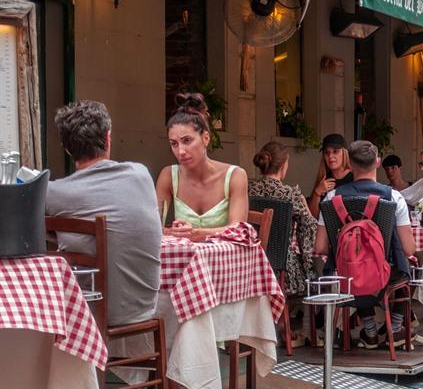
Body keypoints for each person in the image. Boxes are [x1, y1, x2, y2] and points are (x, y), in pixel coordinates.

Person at [46, 100, 161, 326]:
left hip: (86, 311)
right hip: (143, 307)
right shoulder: (141, 175)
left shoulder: (55, 192)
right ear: (108, 138)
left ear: (67, 149)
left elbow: (42, 230)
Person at [313, 141, 416, 349]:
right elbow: (408, 249)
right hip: (385, 273)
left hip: (345, 273)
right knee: (410, 266)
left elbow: (321, 247)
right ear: (378, 163)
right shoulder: (393, 197)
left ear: (349, 165)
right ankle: (394, 328)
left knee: (357, 266)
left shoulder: (333, 197)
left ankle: (369, 330)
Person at [156, 93, 249, 240]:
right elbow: (153, 227)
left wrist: (196, 234)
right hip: (184, 261)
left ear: (205, 138)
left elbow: (237, 231)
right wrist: (172, 232)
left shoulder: (235, 176)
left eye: (187, 140)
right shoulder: (169, 176)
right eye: (174, 143)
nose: (180, 151)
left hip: (225, 261)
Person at [249, 141, 317, 296]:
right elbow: (309, 230)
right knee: (312, 274)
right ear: (284, 166)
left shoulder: (248, 189)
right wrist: (307, 265)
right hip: (283, 269)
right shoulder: (291, 194)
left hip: (251, 263)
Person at [308, 133, 353, 218]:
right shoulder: (323, 180)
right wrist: (317, 193)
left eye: (335, 151)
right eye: (326, 153)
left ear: (344, 153)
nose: (330, 156)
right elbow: (313, 217)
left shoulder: (355, 177)